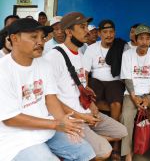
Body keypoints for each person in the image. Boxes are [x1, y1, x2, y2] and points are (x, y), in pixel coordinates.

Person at [0, 18, 95, 161]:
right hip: (16, 137)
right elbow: (11, 119)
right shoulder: (4, 70)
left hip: (46, 128)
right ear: (14, 38)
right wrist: (56, 124)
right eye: (33, 37)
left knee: (86, 153)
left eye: (42, 37)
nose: (40, 42)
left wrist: (64, 122)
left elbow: (50, 98)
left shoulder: (43, 64)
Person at [45, 12, 127, 161]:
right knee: (105, 152)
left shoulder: (81, 56)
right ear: (69, 32)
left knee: (122, 132)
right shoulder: (53, 57)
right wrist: (81, 116)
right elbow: (50, 99)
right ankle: (82, 147)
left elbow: (81, 87)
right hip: (73, 117)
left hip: (86, 112)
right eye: (82, 27)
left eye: (86, 27)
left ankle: (87, 142)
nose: (87, 31)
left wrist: (92, 105)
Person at [120, 24, 150, 161]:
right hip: (132, 93)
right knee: (126, 116)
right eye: (141, 38)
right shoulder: (127, 55)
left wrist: (149, 97)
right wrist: (134, 97)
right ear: (135, 39)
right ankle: (128, 153)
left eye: (147, 38)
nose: (144, 42)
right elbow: (127, 79)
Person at [83, 19, 128, 160]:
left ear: (114, 33)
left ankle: (115, 145)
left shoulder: (122, 46)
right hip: (96, 80)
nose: (109, 35)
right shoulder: (92, 48)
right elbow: (84, 71)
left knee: (116, 103)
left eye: (111, 32)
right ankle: (92, 135)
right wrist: (85, 86)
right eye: (105, 32)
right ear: (99, 34)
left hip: (115, 80)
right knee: (92, 100)